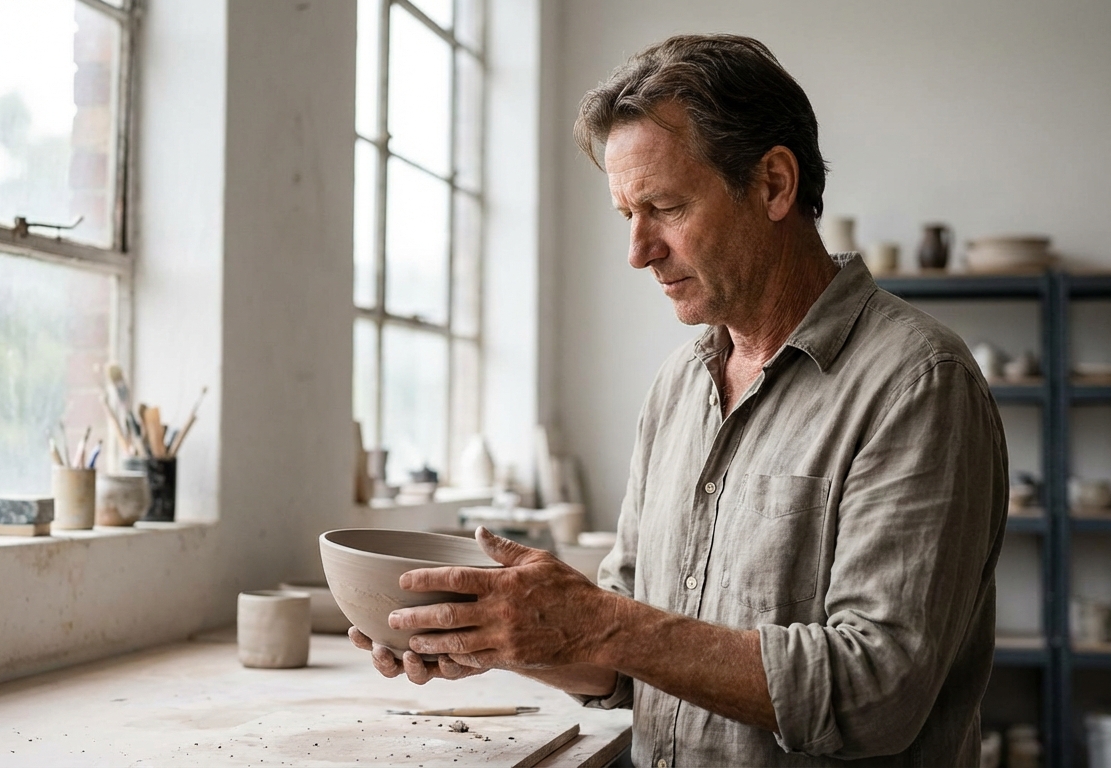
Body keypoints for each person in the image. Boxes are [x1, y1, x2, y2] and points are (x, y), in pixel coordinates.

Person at [350, 33, 1008, 766]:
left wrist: (602, 623)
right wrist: (497, 636)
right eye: (626, 214)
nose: (638, 250)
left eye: (664, 206)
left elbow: (875, 693)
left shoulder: (917, 383)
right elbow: (624, 664)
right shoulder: (678, 386)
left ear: (773, 186)